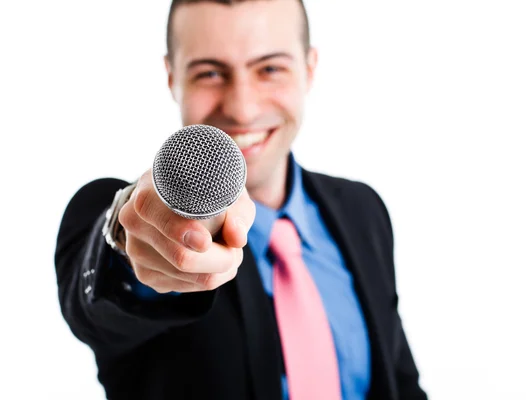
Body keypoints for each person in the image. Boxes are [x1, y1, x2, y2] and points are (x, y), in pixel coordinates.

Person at [55, 0, 428, 399]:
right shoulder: (134, 222)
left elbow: (401, 383)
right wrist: (133, 242)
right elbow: (101, 298)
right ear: (172, 77)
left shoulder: (363, 210)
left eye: (269, 68)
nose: (242, 108)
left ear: (309, 68)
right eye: (210, 73)